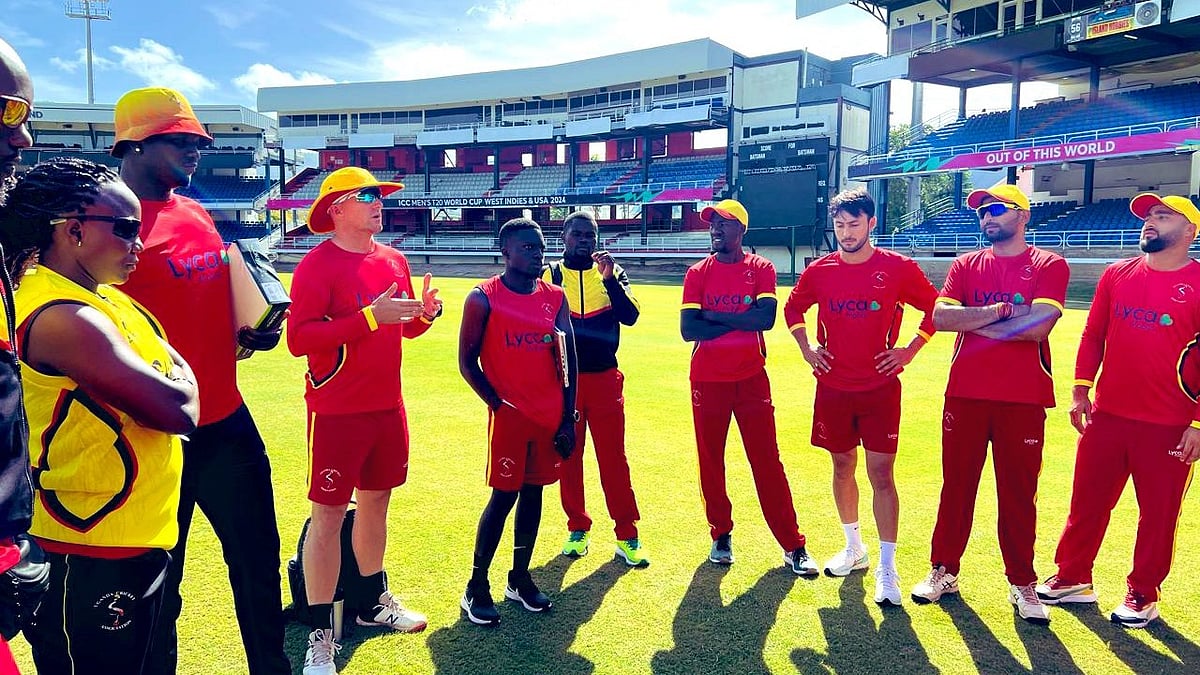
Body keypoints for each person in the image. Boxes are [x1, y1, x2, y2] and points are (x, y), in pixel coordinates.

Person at [112, 86, 291, 674]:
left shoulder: (195, 212)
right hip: (152, 434)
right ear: (134, 143)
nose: (196, 151)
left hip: (227, 421)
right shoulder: (107, 224)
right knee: (162, 586)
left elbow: (209, 301)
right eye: (181, 140)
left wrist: (250, 330)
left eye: (199, 142)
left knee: (259, 569)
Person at [0, 158, 198, 674]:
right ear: (73, 231)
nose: (140, 244)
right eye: (126, 229)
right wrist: (184, 381)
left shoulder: (106, 300)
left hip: (133, 530)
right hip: (85, 542)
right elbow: (177, 408)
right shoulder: (62, 314)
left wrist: (178, 377)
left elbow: (173, 377)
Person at [287, 167, 440, 673]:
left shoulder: (393, 259)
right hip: (335, 413)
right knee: (327, 518)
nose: (380, 203)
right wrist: (370, 317)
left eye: (381, 196)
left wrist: (423, 315)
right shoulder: (316, 266)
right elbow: (300, 340)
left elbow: (403, 330)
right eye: (368, 195)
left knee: (377, 505)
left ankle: (373, 602)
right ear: (337, 208)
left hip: (386, 408)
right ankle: (320, 633)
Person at [1036, 193, 1200, 628]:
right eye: (1149, 216)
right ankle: (1073, 578)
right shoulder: (1117, 274)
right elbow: (1093, 335)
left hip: (1170, 424)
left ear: (1189, 232)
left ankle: (1143, 594)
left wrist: (1199, 424)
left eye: (1163, 216)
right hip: (1108, 416)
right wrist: (1080, 391)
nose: (1151, 222)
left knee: (1158, 516)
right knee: (1086, 502)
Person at [910, 184, 1069, 625]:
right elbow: (942, 318)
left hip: (1023, 398)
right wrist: (1002, 313)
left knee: (1018, 494)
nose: (987, 218)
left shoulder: (1049, 264)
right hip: (965, 394)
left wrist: (976, 317)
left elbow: (1039, 327)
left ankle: (1021, 581)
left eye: (996, 209)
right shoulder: (965, 264)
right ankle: (944, 570)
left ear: (1023, 215)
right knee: (956, 486)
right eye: (982, 212)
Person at [783, 188, 937, 605]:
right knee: (841, 465)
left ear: (872, 223)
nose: (846, 232)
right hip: (832, 388)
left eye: (854, 224)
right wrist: (806, 348)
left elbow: (935, 308)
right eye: (839, 225)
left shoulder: (898, 268)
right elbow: (792, 310)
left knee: (882, 475)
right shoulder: (820, 270)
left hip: (880, 389)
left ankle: (888, 568)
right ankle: (854, 548)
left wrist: (909, 349)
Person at [680, 199, 816, 575]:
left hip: (751, 379)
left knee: (767, 460)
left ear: (741, 229)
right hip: (707, 380)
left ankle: (793, 544)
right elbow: (689, 329)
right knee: (711, 461)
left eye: (723, 223)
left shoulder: (761, 268)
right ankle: (720, 534)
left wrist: (712, 315)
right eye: (712, 224)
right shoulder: (697, 273)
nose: (715, 229)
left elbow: (767, 319)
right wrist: (740, 319)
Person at [459, 217, 578, 626]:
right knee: (503, 498)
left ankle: (519, 577)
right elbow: (467, 362)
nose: (537, 253)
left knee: (534, 495)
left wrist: (568, 418)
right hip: (510, 420)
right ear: (505, 251)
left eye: (541, 246)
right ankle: (476, 585)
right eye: (528, 247)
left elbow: (568, 360)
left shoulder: (555, 296)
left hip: (549, 420)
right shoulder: (482, 298)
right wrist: (497, 404)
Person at [543, 211, 647, 567]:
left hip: (605, 379)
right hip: (566, 382)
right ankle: (577, 527)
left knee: (613, 458)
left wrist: (609, 280)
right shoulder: (551, 274)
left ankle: (627, 533)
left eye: (591, 235)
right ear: (564, 238)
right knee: (569, 457)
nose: (585, 240)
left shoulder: (612, 273)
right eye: (578, 234)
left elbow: (631, 316)